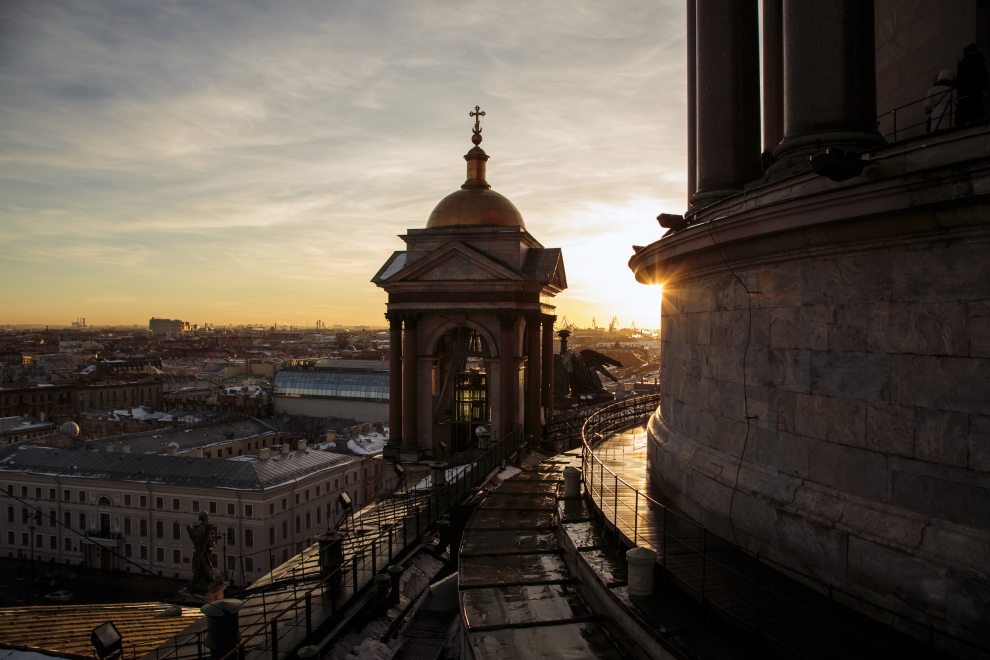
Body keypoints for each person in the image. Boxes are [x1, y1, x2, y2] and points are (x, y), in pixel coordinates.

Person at [956, 43, 988, 126]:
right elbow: (985, 82)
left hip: (964, 97)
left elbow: (959, 80)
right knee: (977, 122)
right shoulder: (981, 64)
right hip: (978, 96)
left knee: (960, 123)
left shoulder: (963, 63)